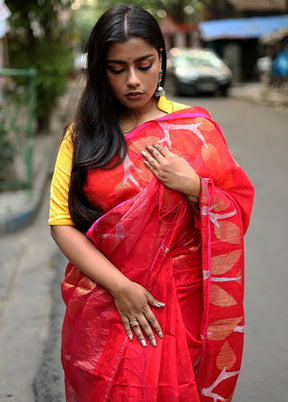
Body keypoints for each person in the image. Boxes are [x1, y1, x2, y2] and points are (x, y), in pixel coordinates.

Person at [49, 4, 254, 401]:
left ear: (160, 58)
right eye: (117, 68)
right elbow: (61, 223)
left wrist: (194, 185)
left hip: (185, 302)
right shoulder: (82, 136)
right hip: (111, 301)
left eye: (144, 64)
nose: (133, 80)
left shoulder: (196, 129)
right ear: (100, 69)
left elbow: (236, 206)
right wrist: (122, 288)